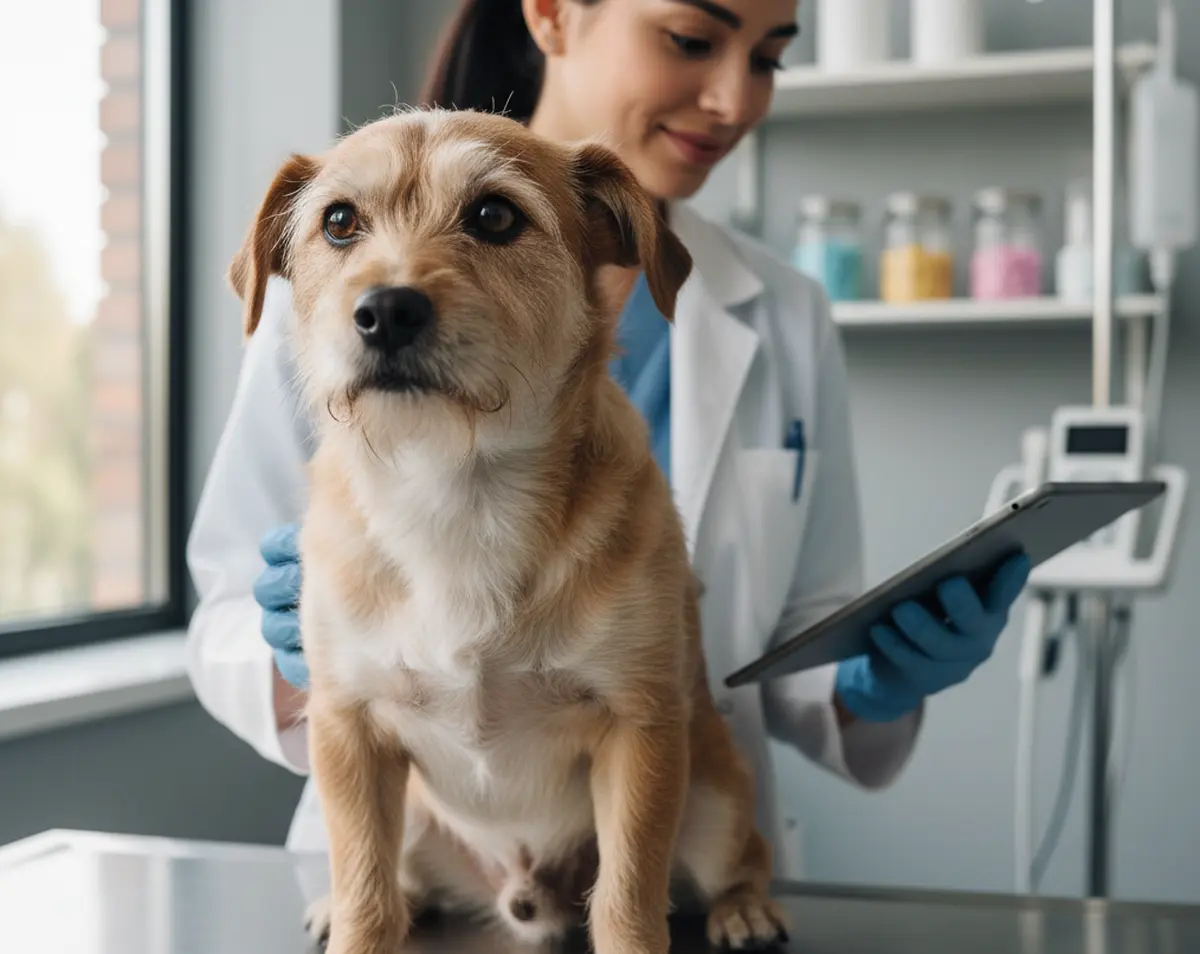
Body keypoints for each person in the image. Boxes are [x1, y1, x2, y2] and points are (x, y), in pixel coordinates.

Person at [186, 0, 1031, 872]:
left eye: (769, 58)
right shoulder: (349, 286)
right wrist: (300, 648)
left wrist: (868, 681)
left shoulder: (784, 310)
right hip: (425, 857)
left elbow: (786, 642)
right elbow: (220, 610)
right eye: (692, 41)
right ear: (552, 14)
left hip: (656, 865)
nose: (735, 100)